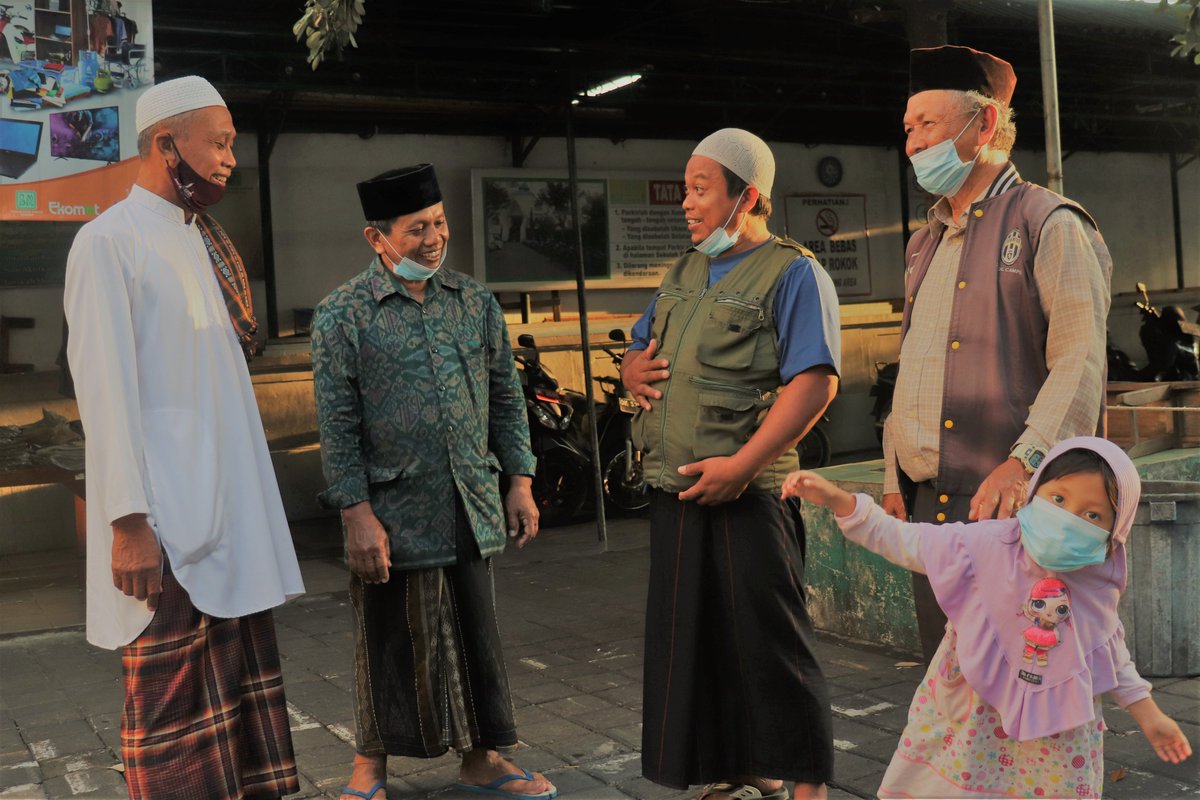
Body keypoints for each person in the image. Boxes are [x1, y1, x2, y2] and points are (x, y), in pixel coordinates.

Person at [63, 75, 305, 799]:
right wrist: (128, 523)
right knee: (171, 717)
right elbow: (104, 395)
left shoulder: (203, 243)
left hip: (229, 519)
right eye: (220, 143)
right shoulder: (108, 243)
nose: (230, 159)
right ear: (167, 144)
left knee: (234, 705)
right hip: (165, 525)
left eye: (233, 144)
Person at [311, 164, 556, 800]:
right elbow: (336, 427)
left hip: (469, 496)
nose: (433, 238)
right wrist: (356, 512)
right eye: (417, 228)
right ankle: (370, 766)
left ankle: (485, 758)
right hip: (392, 508)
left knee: (478, 630)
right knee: (388, 635)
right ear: (377, 238)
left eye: (439, 223)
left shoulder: (473, 302)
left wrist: (520, 479)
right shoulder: (343, 315)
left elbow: (506, 398)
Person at [783, 436, 1193, 798]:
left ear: (1116, 530)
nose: (1068, 519)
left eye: (1093, 516)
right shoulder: (982, 545)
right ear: (1035, 492)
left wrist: (1150, 716)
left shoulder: (1094, 582)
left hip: (1054, 738)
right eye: (1059, 499)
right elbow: (905, 540)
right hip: (965, 720)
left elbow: (1109, 652)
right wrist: (841, 501)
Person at [622, 128, 840, 800]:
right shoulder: (682, 272)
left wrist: (743, 466)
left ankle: (808, 782)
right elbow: (639, 345)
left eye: (700, 188)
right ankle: (740, 766)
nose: (686, 203)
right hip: (677, 489)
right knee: (698, 640)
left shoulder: (793, 272)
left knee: (771, 641)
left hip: (748, 493)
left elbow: (814, 382)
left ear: (748, 197)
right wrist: (631, 368)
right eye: (685, 188)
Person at [885, 45, 1113, 662]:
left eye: (928, 124)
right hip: (927, 504)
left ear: (984, 124)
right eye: (908, 128)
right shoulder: (923, 242)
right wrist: (892, 471)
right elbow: (914, 366)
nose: (912, 144)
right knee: (950, 687)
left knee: (1020, 681)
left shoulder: (1050, 222)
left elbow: (1081, 360)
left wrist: (1025, 462)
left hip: (1006, 500)